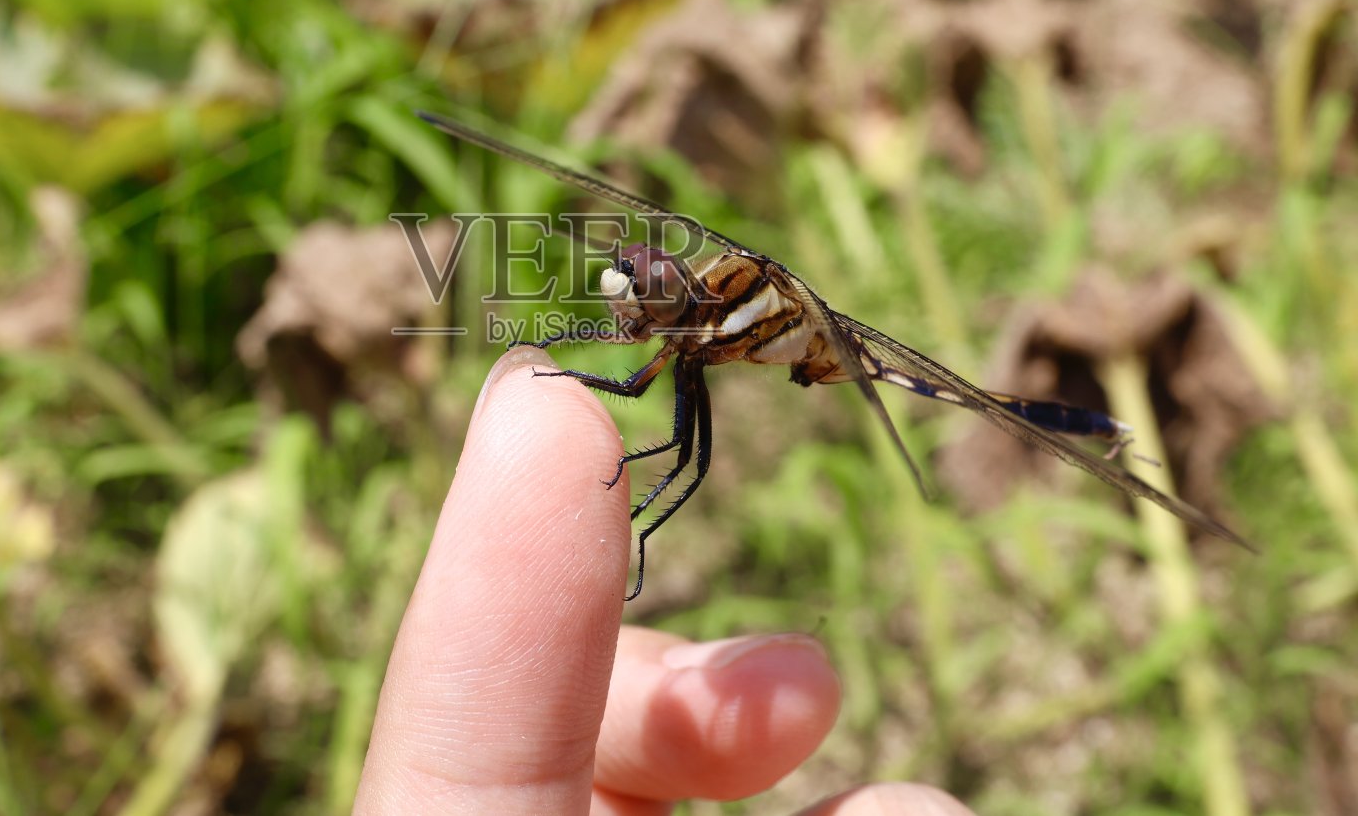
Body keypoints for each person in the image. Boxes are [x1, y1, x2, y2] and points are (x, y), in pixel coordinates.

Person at [355, 347, 977, 815]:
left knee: (692, 457)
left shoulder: (707, 324)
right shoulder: (684, 328)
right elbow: (631, 383)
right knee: (687, 454)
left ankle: (640, 534)